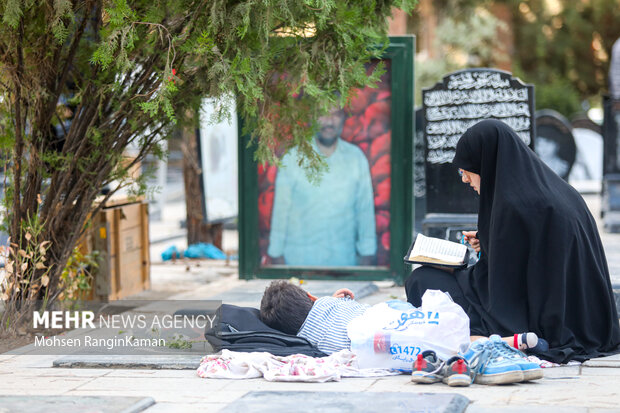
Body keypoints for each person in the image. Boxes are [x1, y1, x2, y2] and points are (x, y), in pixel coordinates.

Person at [405, 119, 620, 364]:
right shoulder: (556, 190)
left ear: (484, 162)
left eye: (465, 169)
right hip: (585, 318)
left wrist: (456, 264)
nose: (464, 179)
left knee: (422, 279)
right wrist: (487, 243)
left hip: (534, 318)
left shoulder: (512, 206)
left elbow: (501, 291)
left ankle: (496, 339)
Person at [267, 106, 376, 266]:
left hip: (344, 264)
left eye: (335, 114)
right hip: (299, 264)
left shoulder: (356, 158)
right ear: (311, 117)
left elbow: (365, 210)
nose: (329, 121)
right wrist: (276, 255)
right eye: (322, 114)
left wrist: (367, 253)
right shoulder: (292, 158)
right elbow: (280, 212)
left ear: (343, 118)